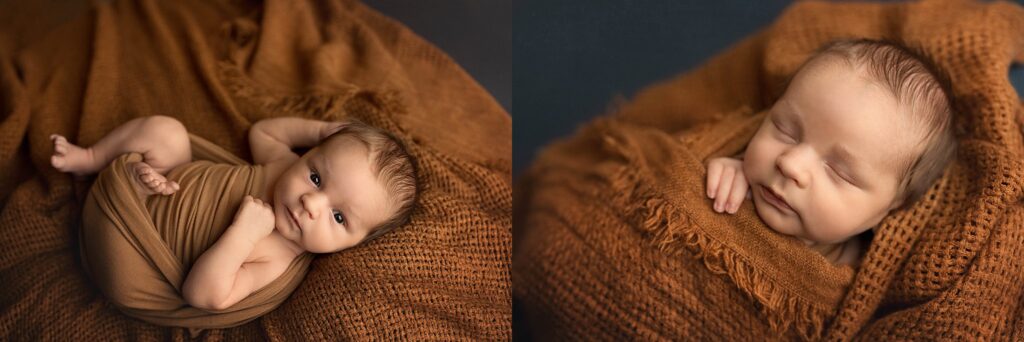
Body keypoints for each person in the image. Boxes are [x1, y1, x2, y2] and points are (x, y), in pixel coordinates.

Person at [50, 116, 417, 310]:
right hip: (172, 179)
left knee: (127, 247)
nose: (312, 203)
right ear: (307, 155)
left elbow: (205, 295)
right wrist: (319, 129)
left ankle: (134, 191)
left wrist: (244, 234)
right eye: (317, 176)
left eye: (339, 218)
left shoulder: (278, 260)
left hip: (137, 249)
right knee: (165, 131)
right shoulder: (282, 166)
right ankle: (91, 159)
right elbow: (264, 132)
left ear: (355, 244)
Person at [704, 39, 956, 265]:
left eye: (838, 172)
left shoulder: (858, 276)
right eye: (785, 130)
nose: (791, 164)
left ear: (887, 209)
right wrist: (715, 171)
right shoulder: (733, 185)